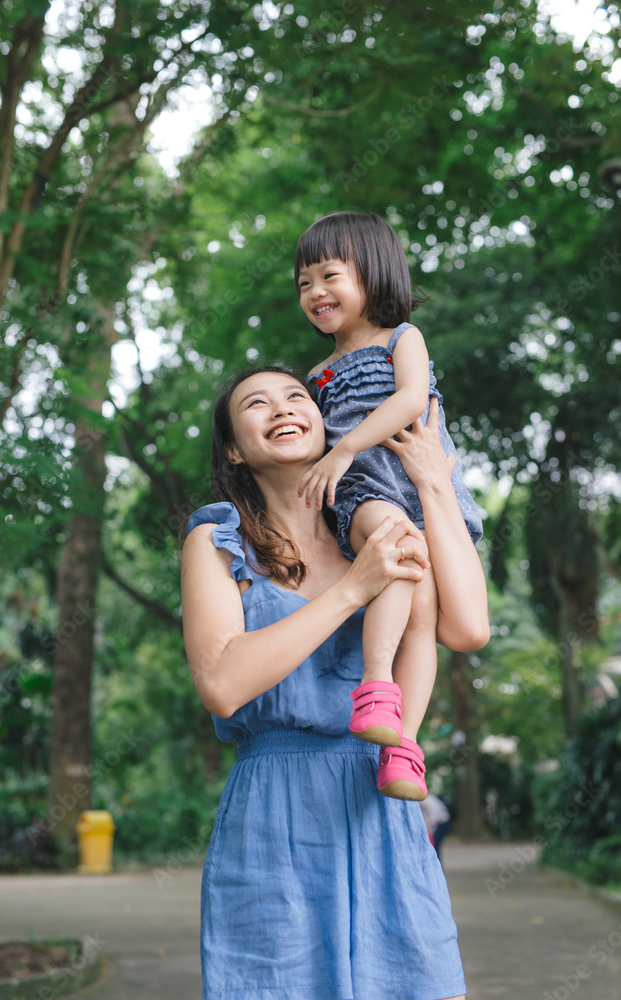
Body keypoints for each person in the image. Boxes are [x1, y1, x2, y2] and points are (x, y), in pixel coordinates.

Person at [181, 365, 489, 1000]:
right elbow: (222, 683)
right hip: (275, 811)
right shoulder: (217, 539)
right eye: (257, 404)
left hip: (382, 797)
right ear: (235, 449)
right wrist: (354, 590)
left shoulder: (373, 527)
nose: (283, 408)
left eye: (297, 396)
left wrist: (431, 485)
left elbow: (468, 631)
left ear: (325, 422)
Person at [295, 211, 483, 799]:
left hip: (422, 491)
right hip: (367, 494)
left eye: (329, 275)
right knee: (396, 549)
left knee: (423, 612)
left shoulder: (403, 338)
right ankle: (376, 685)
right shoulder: (318, 375)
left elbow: (408, 399)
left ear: (373, 274)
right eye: (304, 283)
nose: (315, 292)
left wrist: (345, 445)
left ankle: (403, 746)